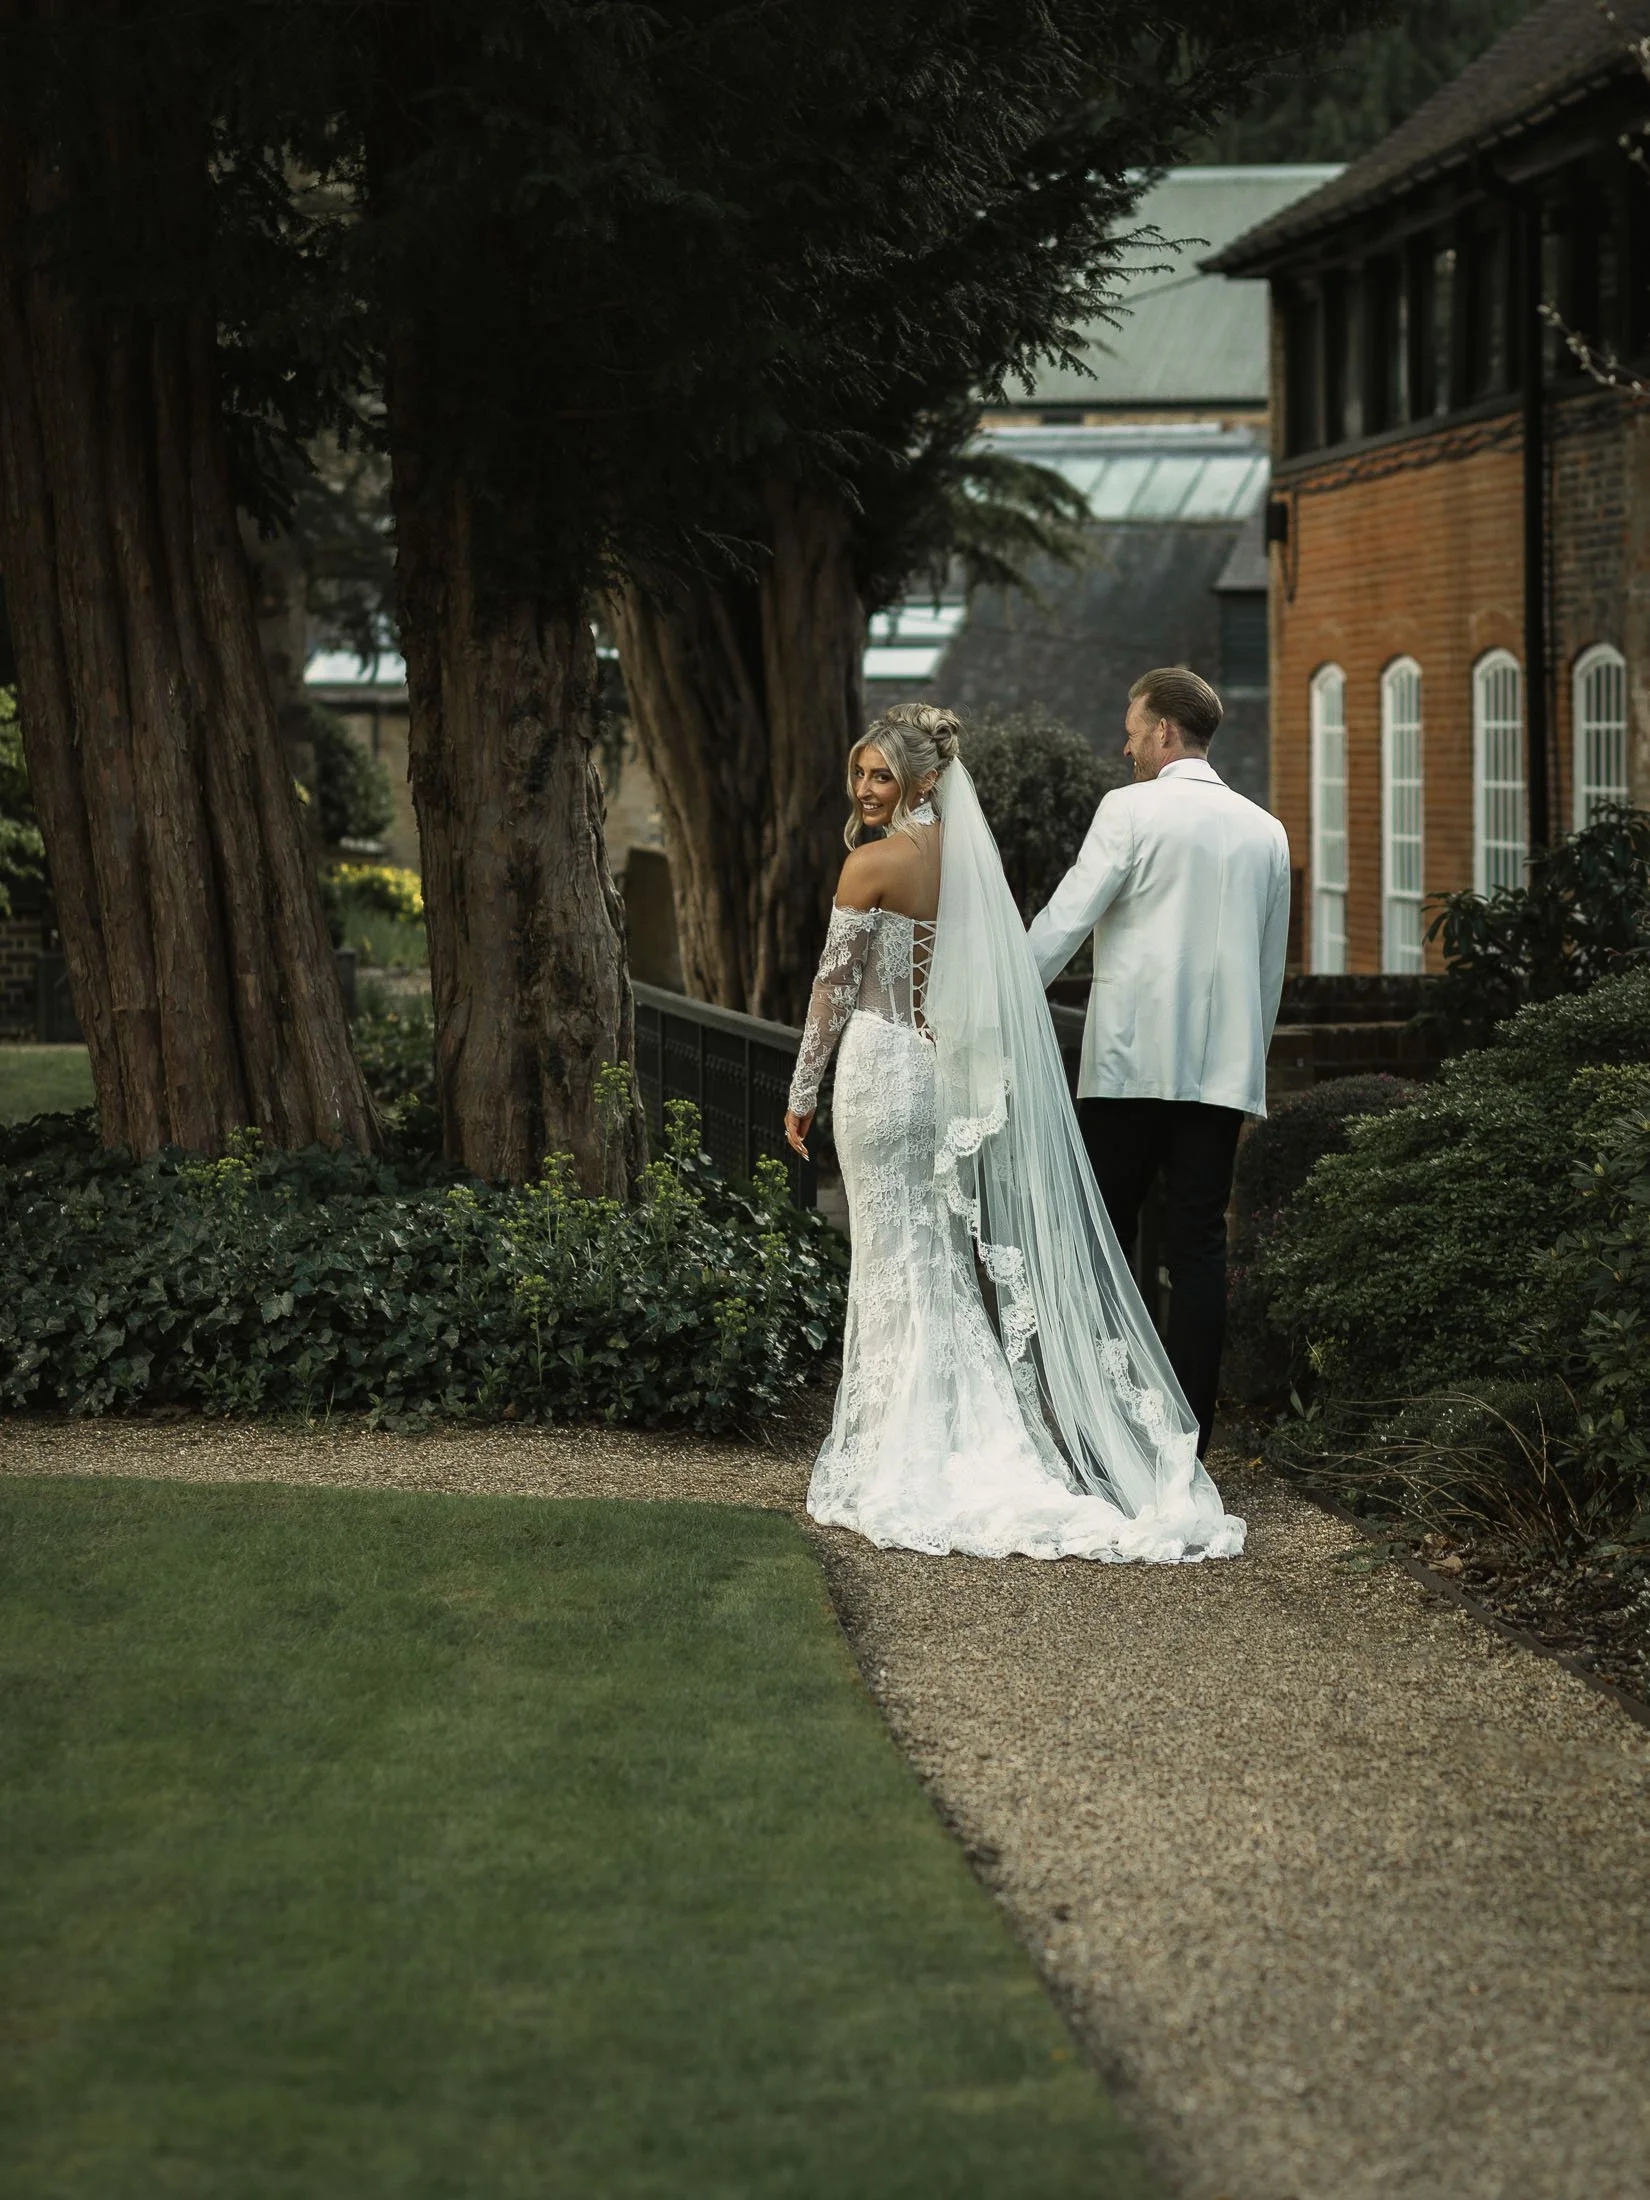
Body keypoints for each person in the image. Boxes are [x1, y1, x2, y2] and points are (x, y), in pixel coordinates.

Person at [783, 701, 1243, 1564]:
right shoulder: (967, 864)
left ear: (923, 779)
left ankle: (894, 1446)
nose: (865, 787)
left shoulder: (869, 867)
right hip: (939, 1071)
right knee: (937, 1256)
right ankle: (967, 1430)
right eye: (859, 772)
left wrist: (803, 1088)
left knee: (892, 1256)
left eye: (882, 773)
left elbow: (830, 993)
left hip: (881, 1073)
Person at [1027, 668, 1291, 1460]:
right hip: (1220, 1077)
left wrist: (991, 997)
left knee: (1098, 1242)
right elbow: (1269, 971)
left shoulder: (1130, 810)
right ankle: (1187, 1447)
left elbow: (1066, 918)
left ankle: (1096, 1426)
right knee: (1199, 1250)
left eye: (1134, 728)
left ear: (1166, 732)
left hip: (1129, 1066)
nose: (1126, 743)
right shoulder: (1266, 830)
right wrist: (1248, 1064)